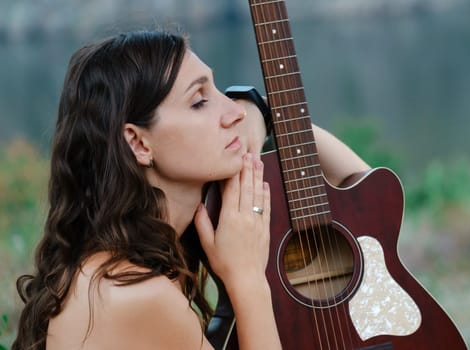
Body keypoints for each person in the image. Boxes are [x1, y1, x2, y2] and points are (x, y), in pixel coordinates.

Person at [11, 30, 370, 350]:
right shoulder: (136, 295)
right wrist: (246, 278)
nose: (233, 111)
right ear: (138, 142)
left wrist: (270, 112)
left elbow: (371, 201)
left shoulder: (125, 267)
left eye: (217, 89)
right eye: (200, 101)